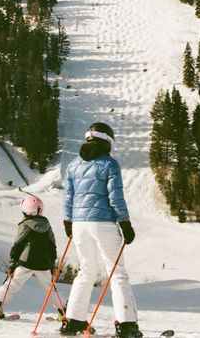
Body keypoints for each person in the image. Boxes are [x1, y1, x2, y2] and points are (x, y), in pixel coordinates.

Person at [61, 122, 141, 338]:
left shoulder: (73, 165)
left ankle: (74, 321)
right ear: (108, 141)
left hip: (78, 224)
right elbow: (115, 196)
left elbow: (69, 196)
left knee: (86, 271)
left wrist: (68, 221)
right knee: (117, 273)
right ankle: (127, 326)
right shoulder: (109, 164)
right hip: (103, 222)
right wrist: (125, 222)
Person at [0, 194, 65, 320]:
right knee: (50, 288)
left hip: (26, 262)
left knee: (12, 285)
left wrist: (12, 262)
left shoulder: (25, 224)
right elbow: (52, 245)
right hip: (43, 264)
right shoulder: (46, 224)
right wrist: (52, 263)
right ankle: (63, 313)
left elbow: (18, 245)